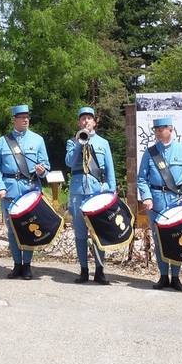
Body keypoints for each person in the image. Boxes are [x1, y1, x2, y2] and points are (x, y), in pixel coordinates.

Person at [137, 116, 182, 292]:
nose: (158, 132)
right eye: (156, 130)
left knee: (179, 237)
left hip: (178, 200)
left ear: (170, 129)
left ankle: (176, 277)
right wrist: (147, 197)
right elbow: (142, 178)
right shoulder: (150, 153)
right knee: (159, 240)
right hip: (157, 202)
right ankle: (163, 276)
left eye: (162, 129)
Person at [0, 105, 50, 280]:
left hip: (30, 189)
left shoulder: (37, 140)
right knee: (12, 229)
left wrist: (41, 171)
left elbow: (46, 165)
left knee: (31, 226)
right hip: (9, 190)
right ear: (14, 119)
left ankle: (27, 265)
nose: (25, 120)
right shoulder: (3, 141)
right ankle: (16, 264)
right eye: (21, 117)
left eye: (27, 117)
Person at [65, 107, 117, 285]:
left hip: (98, 192)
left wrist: (112, 190)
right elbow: (69, 162)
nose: (86, 121)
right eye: (83, 119)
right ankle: (84, 270)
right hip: (78, 192)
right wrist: (80, 143)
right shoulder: (72, 142)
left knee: (98, 232)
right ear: (79, 122)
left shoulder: (103, 143)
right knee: (80, 233)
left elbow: (109, 170)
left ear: (94, 122)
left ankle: (100, 271)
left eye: (89, 118)